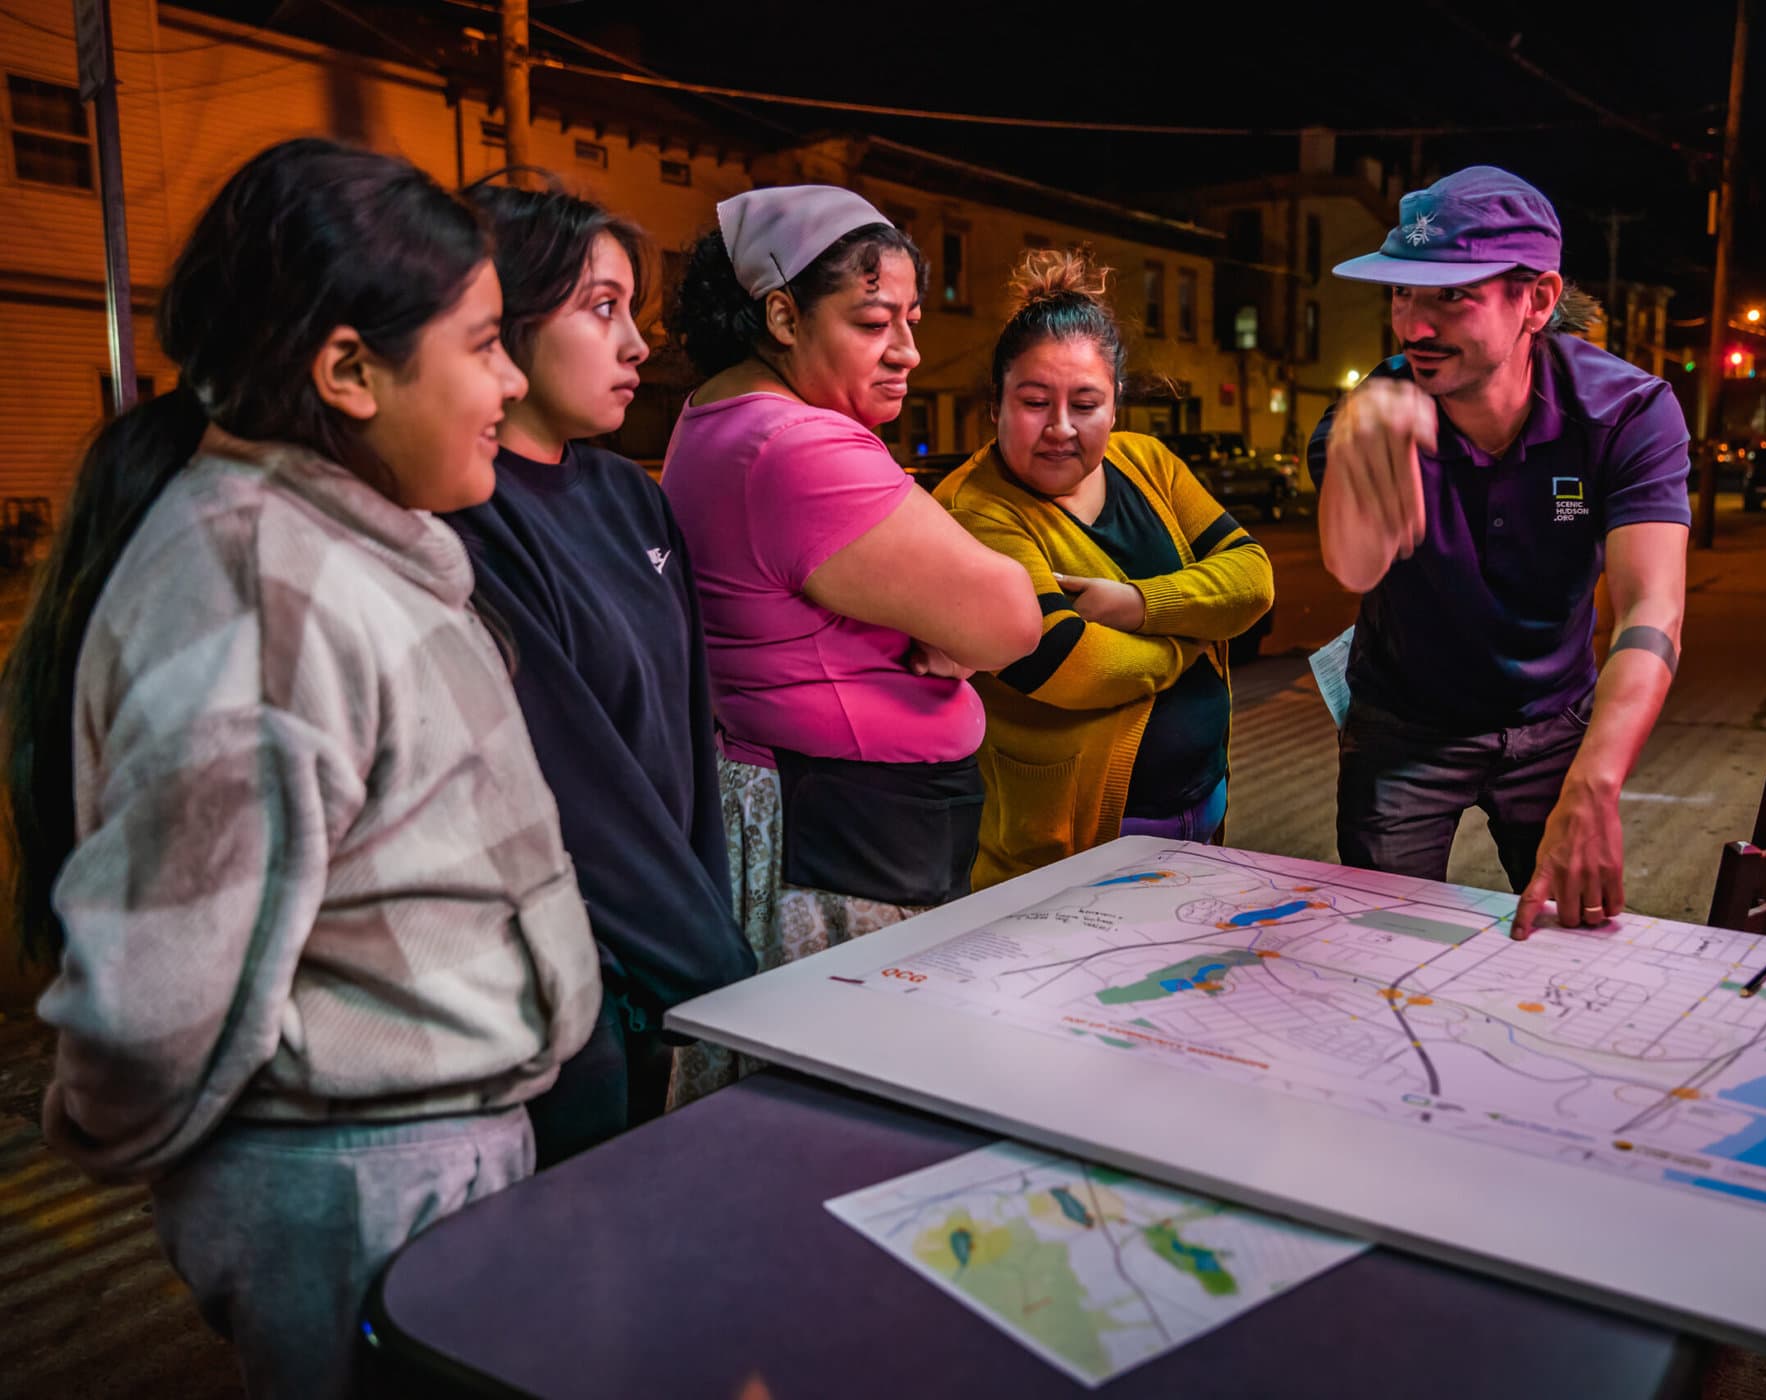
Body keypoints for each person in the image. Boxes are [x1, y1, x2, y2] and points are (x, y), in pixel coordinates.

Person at [2, 139, 599, 1397]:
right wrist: (177, 1146)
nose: (509, 378)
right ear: (348, 369)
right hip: (353, 1191)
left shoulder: (342, 542)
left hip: (411, 1167)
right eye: (485, 342)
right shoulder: (259, 590)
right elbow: (154, 993)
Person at [659, 186, 1037, 1039]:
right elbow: (1013, 617)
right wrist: (954, 626)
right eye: (872, 322)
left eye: (911, 318)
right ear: (784, 316)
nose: (907, 349)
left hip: (817, 813)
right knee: (869, 1075)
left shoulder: (717, 412)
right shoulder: (800, 445)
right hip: (849, 840)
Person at [442, 177, 755, 1166]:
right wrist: (707, 961)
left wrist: (707, 944)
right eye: (603, 309)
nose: (639, 345)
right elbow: (571, 778)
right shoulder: (471, 516)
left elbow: (688, 742)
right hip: (560, 989)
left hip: (663, 970)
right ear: (505, 320)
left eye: (637, 313)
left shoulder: (633, 498)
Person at [1312, 166, 1690, 939]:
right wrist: (1355, 456)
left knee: (1573, 939)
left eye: (1452, 295)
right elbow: (1352, 569)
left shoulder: (1624, 413)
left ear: (1538, 301)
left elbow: (1653, 607)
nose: (1415, 325)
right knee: (1379, 942)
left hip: (1557, 720)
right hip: (1407, 725)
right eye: (1402, 293)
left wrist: (1598, 781)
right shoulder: (1372, 417)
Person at [935, 249, 1274, 886]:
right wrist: (1195, 638)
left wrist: (1137, 606)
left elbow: (1255, 577)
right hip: (1072, 845)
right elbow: (1064, 661)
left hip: (1203, 807)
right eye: (1035, 402)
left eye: (1085, 404)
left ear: (1115, 405)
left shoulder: (1147, 462)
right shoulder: (974, 509)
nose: (1060, 428)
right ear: (995, 403)